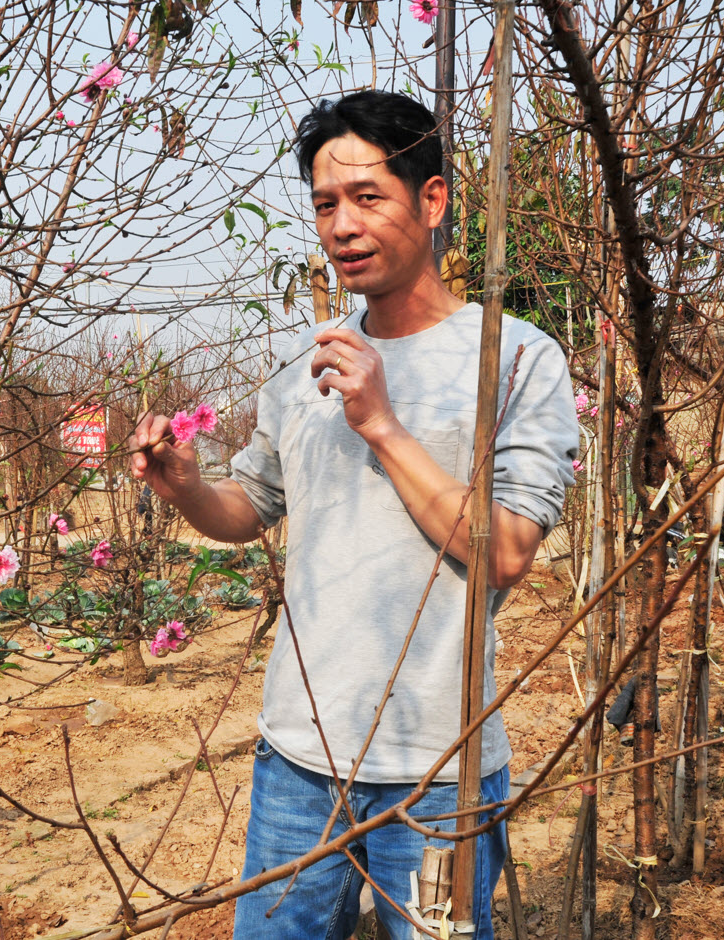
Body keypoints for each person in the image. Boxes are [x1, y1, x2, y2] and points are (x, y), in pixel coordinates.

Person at [130, 89, 580, 939]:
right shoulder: (307, 362)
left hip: (441, 769)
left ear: (434, 199)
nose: (343, 225)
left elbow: (508, 552)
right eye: (326, 204)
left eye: (369, 197)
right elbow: (250, 507)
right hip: (299, 760)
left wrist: (380, 421)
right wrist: (188, 486)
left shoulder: (513, 357)